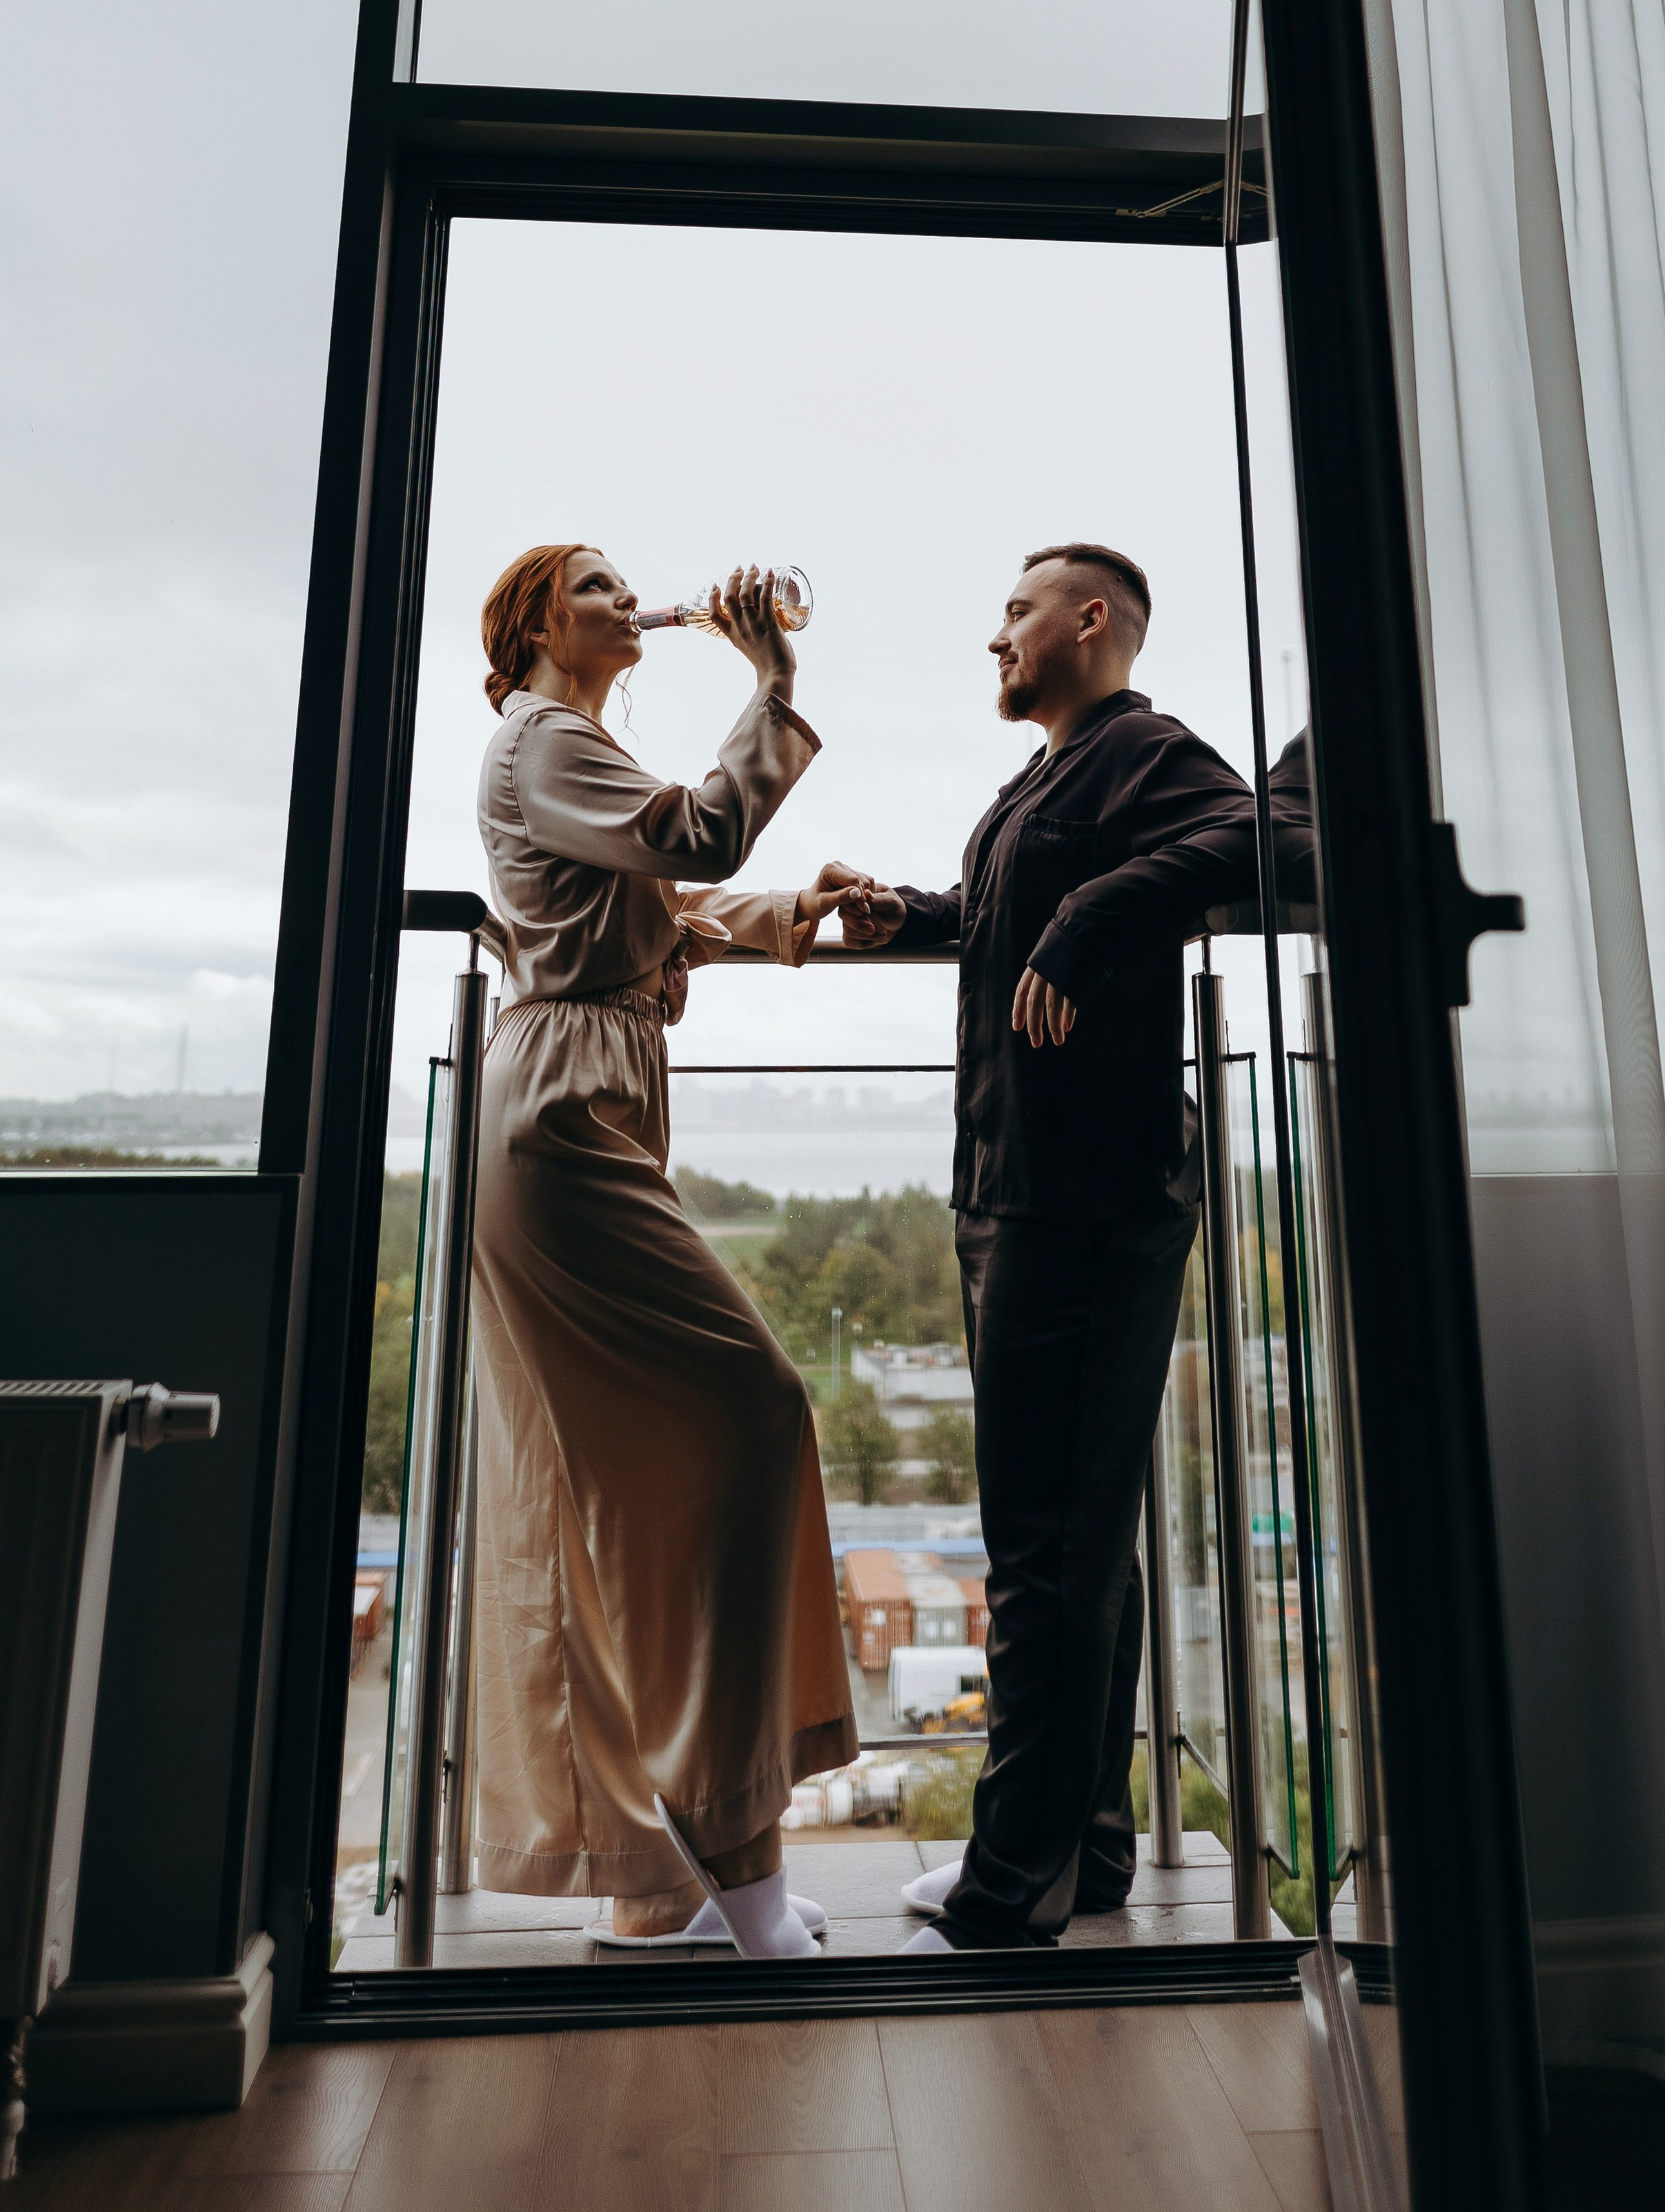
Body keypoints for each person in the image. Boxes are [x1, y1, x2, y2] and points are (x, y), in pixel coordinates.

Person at [841, 543, 1259, 1950]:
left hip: (1082, 1201)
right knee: (1075, 1540)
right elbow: (1002, 930)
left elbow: (1266, 835)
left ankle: (1009, 1880)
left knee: (1041, 1544)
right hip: (1020, 1189)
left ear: (1091, 623)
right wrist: (912, 910)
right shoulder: (1044, 783)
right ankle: (1083, 1842)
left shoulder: (1145, 751)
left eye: (1014, 613)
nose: (995, 639)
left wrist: (1089, 917)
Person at [470, 544, 865, 1959]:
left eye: (625, 579)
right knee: (750, 1415)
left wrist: (799, 918)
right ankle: (733, 1871)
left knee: (632, 1491)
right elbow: (696, 837)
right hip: (561, 1123)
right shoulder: (544, 738)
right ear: (531, 623)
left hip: (590, 1099)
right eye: (593, 582)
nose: (627, 597)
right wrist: (769, 679)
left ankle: (670, 1878)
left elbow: (666, 907)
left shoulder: (576, 751)